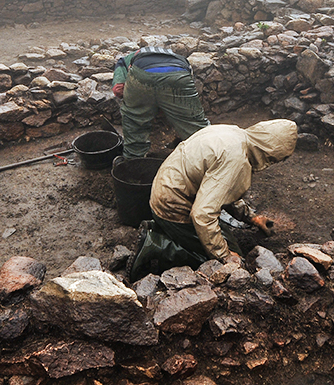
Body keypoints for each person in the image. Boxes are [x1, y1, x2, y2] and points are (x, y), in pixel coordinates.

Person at [127, 119, 297, 280]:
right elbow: (202, 215)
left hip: (167, 187)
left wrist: (250, 216)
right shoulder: (236, 159)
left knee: (219, 239)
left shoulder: (234, 133)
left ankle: (163, 229)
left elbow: (221, 187)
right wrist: (225, 256)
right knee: (224, 261)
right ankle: (158, 244)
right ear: (271, 152)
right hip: (173, 204)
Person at [112, 46, 209, 158]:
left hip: (142, 73)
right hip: (180, 74)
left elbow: (118, 89)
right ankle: (211, 155)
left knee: (134, 122)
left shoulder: (123, 61)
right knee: (196, 124)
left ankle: (133, 160)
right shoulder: (173, 55)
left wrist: (136, 101)